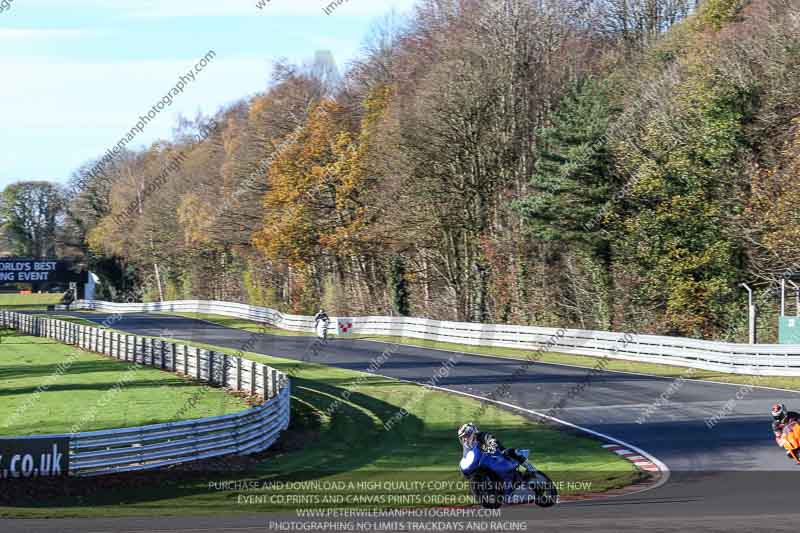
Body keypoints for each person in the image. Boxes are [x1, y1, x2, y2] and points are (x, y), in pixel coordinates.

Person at [458, 423, 531, 473]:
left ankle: (532, 469)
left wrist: (492, 445)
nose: (465, 439)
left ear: (473, 433)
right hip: (484, 465)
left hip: (498, 457)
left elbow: (491, 440)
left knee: (510, 451)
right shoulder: (467, 447)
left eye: (466, 436)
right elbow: (466, 458)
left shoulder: (482, 436)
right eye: (462, 438)